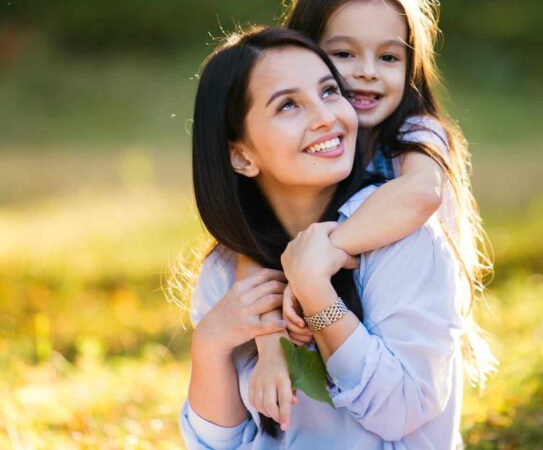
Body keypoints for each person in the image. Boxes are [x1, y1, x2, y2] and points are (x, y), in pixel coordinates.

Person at [179, 25, 468, 448]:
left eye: (330, 91)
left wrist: (316, 293)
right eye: (289, 105)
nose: (325, 117)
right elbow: (216, 445)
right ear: (241, 155)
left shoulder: (403, 240)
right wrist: (209, 346)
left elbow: (404, 411)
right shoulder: (226, 271)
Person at [243, 0, 496, 431]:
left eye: (388, 57)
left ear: (411, 65)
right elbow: (251, 235)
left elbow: (421, 195)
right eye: (343, 54)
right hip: (331, 322)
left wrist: (324, 252)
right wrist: (269, 347)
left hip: (403, 331)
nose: (367, 72)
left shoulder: (416, 134)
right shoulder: (312, 144)